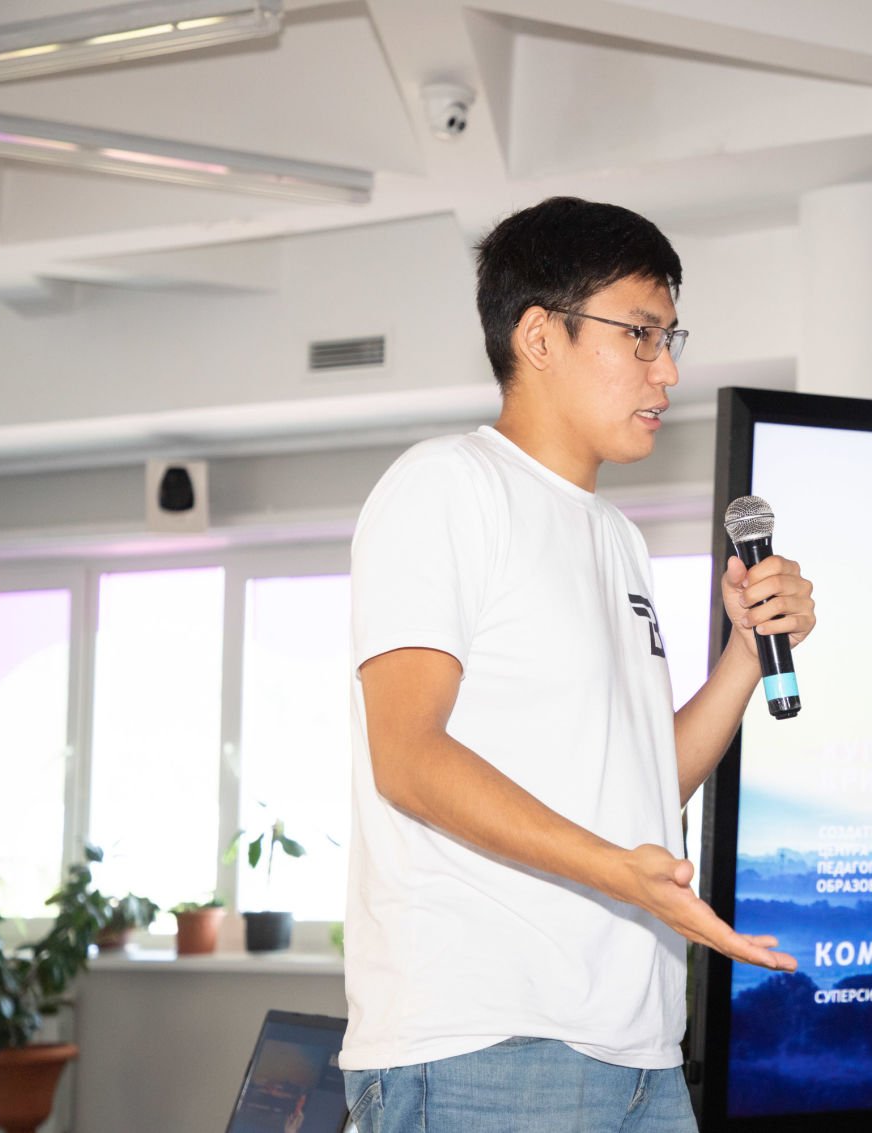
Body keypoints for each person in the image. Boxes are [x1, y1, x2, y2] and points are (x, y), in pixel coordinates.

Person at [339, 197, 816, 1132]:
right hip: (483, 1046)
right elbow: (407, 756)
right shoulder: (447, 486)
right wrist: (615, 870)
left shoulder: (617, 538)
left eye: (670, 338)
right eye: (640, 334)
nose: (667, 369)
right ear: (539, 337)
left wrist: (744, 655)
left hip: (639, 1053)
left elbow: (642, 785)